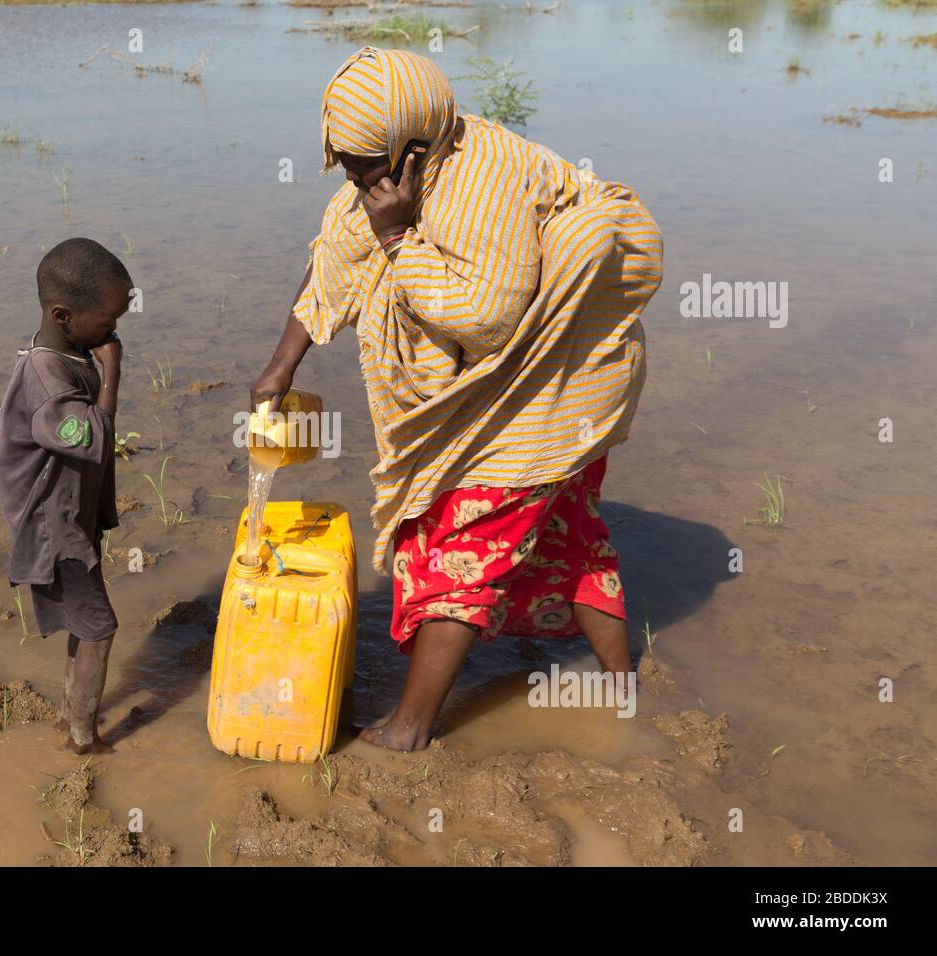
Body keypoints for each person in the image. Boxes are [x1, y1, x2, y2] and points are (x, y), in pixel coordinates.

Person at [251, 47, 663, 752]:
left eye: (364, 166)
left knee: (458, 546)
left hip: (553, 389)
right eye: (344, 165)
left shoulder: (486, 183)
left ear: (415, 146)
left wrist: (398, 235)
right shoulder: (385, 179)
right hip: (540, 387)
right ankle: (623, 693)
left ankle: (410, 729)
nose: (353, 180)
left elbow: (485, 319)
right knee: (570, 538)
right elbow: (334, 258)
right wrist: (282, 363)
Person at [0, 237, 130, 754]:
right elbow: (91, 434)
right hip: (55, 530)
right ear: (63, 314)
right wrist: (113, 370)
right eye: (108, 322)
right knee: (99, 627)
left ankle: (68, 715)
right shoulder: (46, 380)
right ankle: (83, 741)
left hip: (70, 517)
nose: (114, 332)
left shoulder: (67, 349)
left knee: (84, 620)